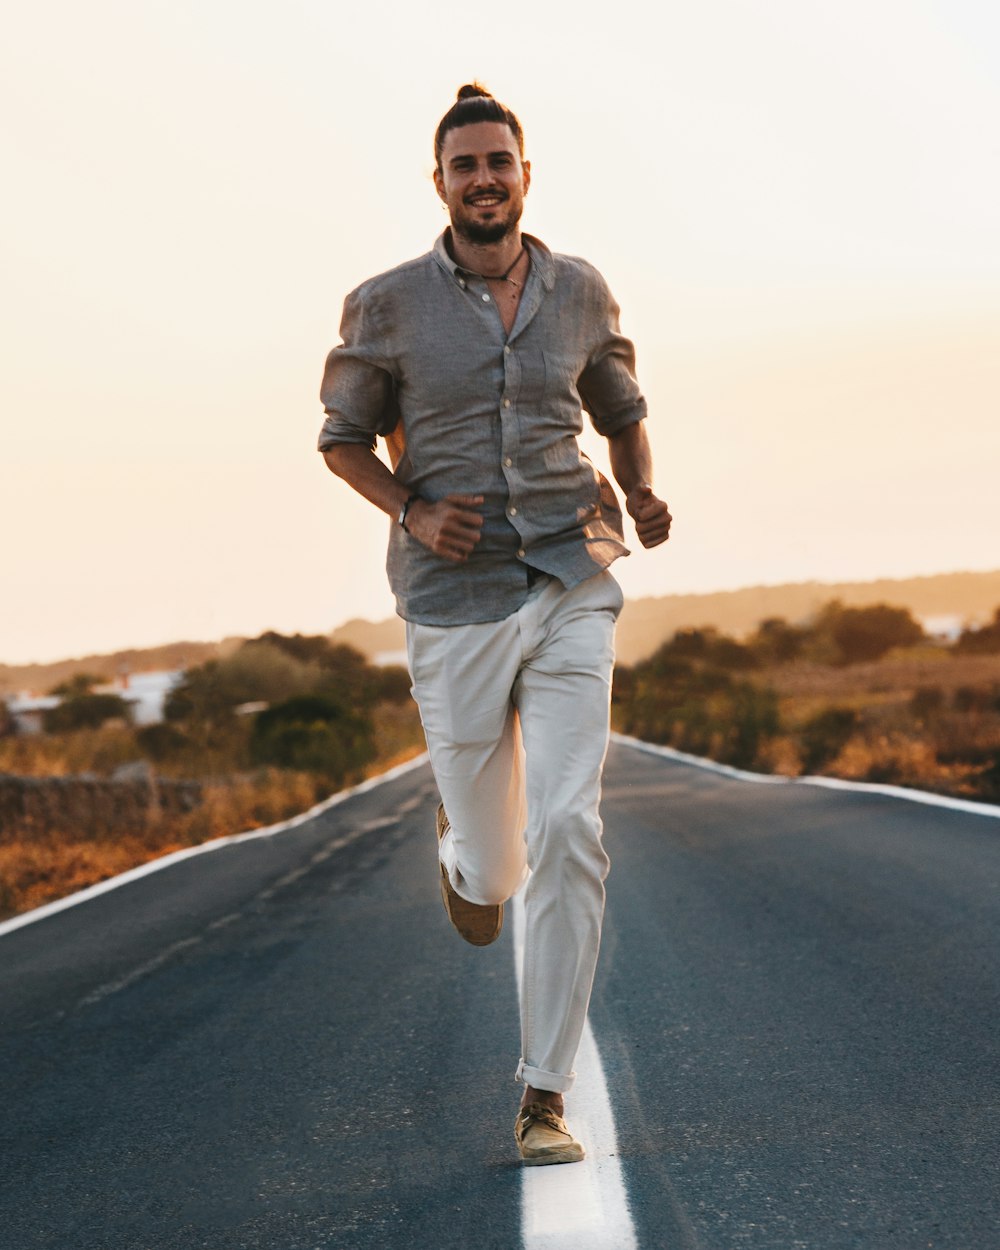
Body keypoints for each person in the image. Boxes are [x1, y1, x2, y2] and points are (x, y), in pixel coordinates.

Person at [318, 83, 671, 1165]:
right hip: (454, 604)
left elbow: (620, 409)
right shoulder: (385, 305)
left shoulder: (578, 291)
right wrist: (412, 508)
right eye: (464, 165)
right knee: (497, 864)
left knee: (571, 826)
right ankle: (466, 861)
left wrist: (643, 491)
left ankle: (543, 1093)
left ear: (525, 174)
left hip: (571, 574)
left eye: (498, 162)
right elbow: (340, 439)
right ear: (441, 184)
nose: (484, 180)